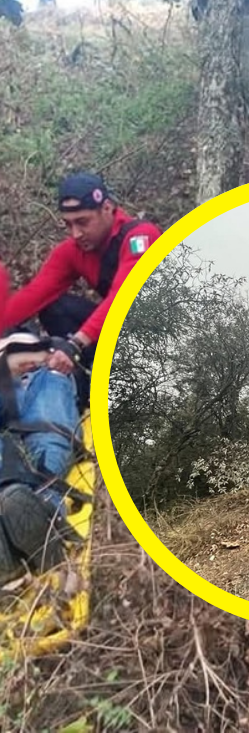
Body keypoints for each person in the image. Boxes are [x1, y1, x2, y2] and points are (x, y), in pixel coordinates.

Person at [1, 173, 161, 409]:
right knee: (55, 307)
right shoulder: (72, 251)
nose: (75, 233)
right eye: (68, 224)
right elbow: (32, 296)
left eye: (83, 222)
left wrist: (75, 344)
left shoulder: (140, 238)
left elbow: (124, 298)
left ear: (107, 208)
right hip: (121, 336)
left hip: (160, 341)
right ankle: (87, 390)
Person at [0, 330, 85, 583]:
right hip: (6, 428)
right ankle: (10, 558)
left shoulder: (50, 356)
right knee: (10, 487)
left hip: (44, 399)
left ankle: (42, 514)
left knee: (44, 457)